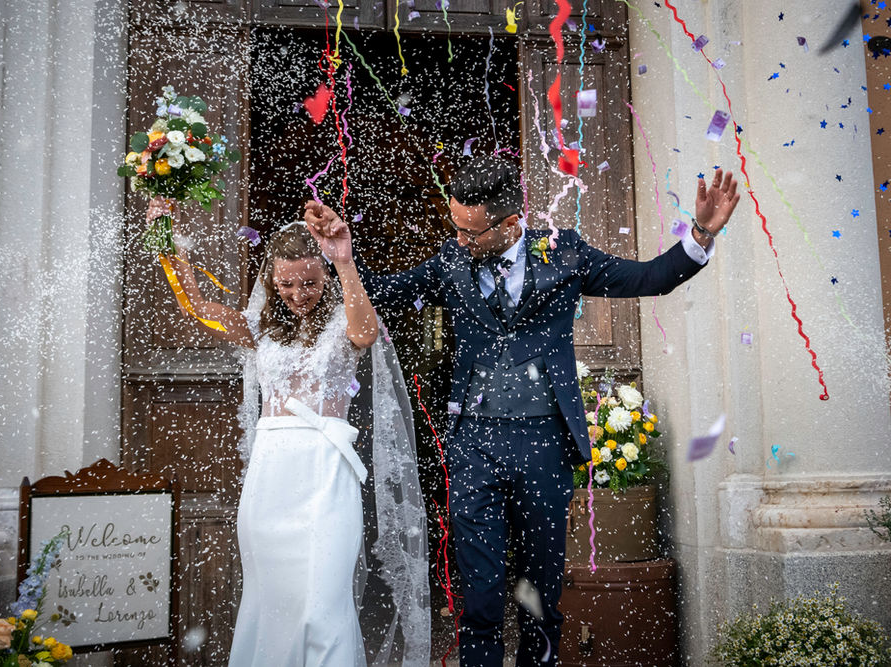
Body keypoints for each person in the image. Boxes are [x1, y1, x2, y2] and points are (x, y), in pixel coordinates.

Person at [304, 156, 740, 667]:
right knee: (481, 599)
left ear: (511, 222)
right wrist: (343, 258)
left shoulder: (565, 253)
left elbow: (650, 277)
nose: (460, 240)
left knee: (538, 599)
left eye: (471, 231)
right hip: (475, 447)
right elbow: (389, 294)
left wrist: (701, 235)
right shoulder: (450, 261)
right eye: (456, 228)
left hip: (543, 447)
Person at [147, 200, 430, 666]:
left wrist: (343, 260)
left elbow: (366, 334)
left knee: (322, 602)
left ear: (325, 278)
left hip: (324, 470)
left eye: (311, 283)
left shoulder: (345, 322)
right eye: (287, 284)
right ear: (271, 282)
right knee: (271, 601)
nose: (299, 293)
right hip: (272, 473)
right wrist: (165, 236)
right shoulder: (259, 327)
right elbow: (196, 306)